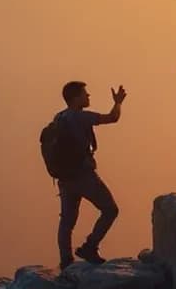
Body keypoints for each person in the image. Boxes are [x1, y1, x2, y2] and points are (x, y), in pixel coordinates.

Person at [53, 81, 125, 268]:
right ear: (75, 98)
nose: (88, 96)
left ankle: (66, 261)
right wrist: (118, 102)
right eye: (85, 94)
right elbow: (112, 118)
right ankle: (90, 246)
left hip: (64, 178)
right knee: (110, 210)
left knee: (67, 222)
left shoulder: (59, 118)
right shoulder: (81, 117)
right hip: (84, 176)